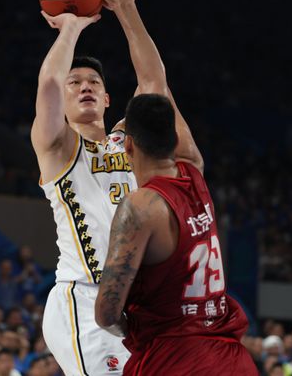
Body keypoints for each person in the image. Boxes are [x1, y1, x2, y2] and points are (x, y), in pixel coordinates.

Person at [32, 0, 189, 375]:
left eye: (93, 82)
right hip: (85, 300)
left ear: (106, 98)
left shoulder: (130, 140)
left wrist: (125, 9)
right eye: (75, 82)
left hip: (138, 303)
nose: (84, 86)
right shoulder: (58, 147)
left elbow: (154, 81)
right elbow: (48, 85)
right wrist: (71, 27)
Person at [95, 94, 257, 375]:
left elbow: (106, 313)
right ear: (175, 140)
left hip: (174, 360)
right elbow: (157, 82)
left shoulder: (140, 206)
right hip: (232, 360)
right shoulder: (194, 171)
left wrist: (135, 330)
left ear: (128, 145)